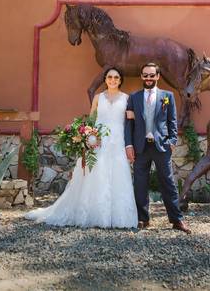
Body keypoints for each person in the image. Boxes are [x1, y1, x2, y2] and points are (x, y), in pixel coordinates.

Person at [25, 67, 137, 228]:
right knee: (95, 173)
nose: (113, 80)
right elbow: (92, 119)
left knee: (118, 175)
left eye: (116, 77)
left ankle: (118, 217)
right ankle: (94, 214)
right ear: (105, 79)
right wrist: (85, 135)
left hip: (118, 141)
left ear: (120, 80)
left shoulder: (127, 98)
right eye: (110, 77)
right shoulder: (98, 97)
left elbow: (129, 121)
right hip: (98, 140)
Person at [124, 63, 191, 234]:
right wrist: (129, 145)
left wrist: (172, 141)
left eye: (151, 75)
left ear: (158, 77)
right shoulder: (134, 97)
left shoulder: (167, 96)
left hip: (162, 147)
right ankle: (142, 219)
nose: (148, 78)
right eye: (145, 75)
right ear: (141, 76)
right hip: (141, 147)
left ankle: (177, 220)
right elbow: (128, 124)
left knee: (168, 184)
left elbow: (172, 121)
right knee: (140, 184)